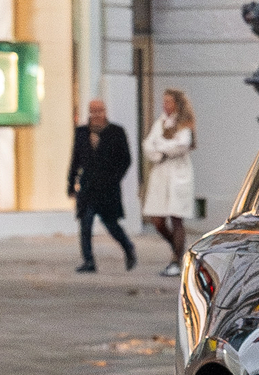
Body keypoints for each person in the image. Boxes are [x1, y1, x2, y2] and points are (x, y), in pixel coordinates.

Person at [67, 98, 135, 272]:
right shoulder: (82, 132)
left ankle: (128, 247)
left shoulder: (116, 132)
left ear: (105, 111)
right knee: (85, 224)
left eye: (100, 110)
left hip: (108, 188)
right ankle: (89, 261)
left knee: (111, 224)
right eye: (93, 111)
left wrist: (115, 177)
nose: (96, 114)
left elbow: (125, 159)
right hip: (88, 186)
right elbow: (76, 159)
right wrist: (71, 182)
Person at [141, 89, 199, 276]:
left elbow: (181, 145)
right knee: (157, 220)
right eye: (163, 101)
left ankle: (176, 258)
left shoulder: (184, 124)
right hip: (161, 173)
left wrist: (162, 147)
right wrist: (160, 151)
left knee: (176, 217)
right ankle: (177, 249)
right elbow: (148, 144)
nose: (165, 105)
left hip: (177, 174)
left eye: (168, 102)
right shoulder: (160, 122)